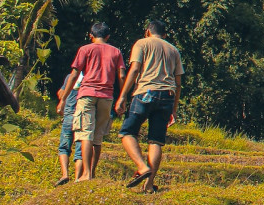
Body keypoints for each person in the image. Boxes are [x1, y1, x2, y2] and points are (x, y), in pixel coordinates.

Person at [117, 20, 182, 193]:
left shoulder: (142, 43)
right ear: (165, 35)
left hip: (145, 92)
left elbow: (135, 69)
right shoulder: (173, 50)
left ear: (147, 32)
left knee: (127, 132)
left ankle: (142, 166)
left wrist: (123, 96)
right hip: (167, 96)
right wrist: (174, 110)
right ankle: (149, 185)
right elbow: (178, 83)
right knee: (156, 141)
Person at [56, 22, 125, 182]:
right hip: (107, 96)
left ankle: (85, 174)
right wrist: (123, 97)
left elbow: (74, 75)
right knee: (97, 137)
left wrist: (64, 99)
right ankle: (92, 172)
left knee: (85, 134)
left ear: (91, 36)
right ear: (107, 37)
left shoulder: (85, 49)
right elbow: (121, 75)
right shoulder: (116, 51)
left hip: (87, 94)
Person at [55, 79, 83, 186]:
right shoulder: (90, 77)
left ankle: (65, 174)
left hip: (69, 115)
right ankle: (77, 178)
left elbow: (60, 93)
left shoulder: (69, 77)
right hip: (82, 116)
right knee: (79, 149)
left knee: (64, 147)